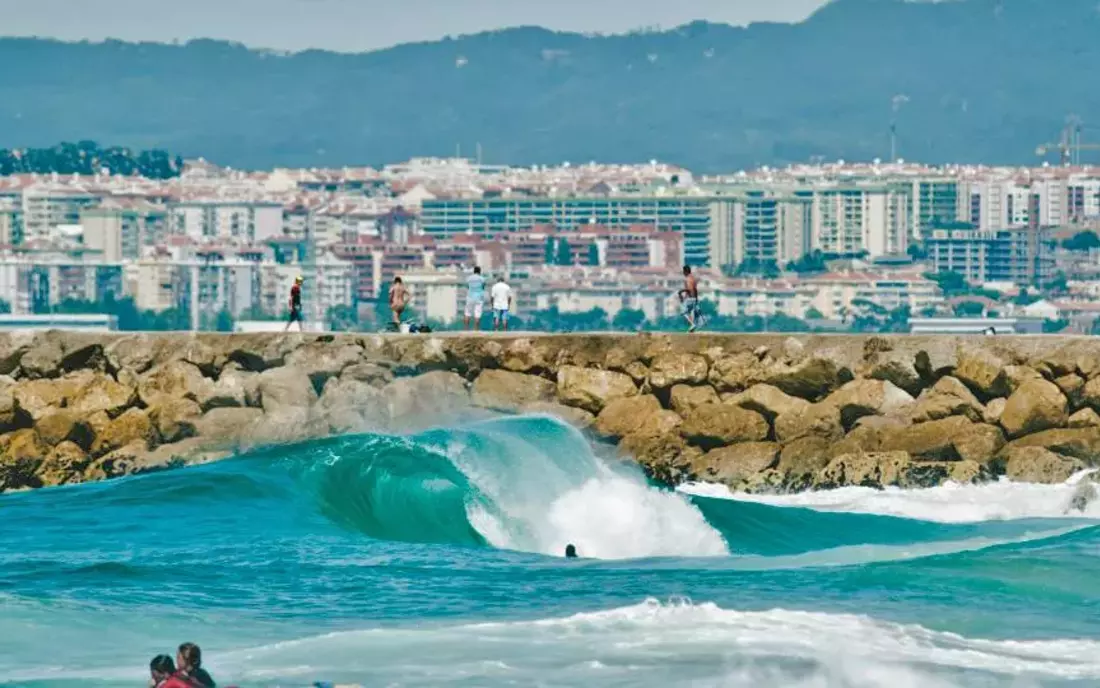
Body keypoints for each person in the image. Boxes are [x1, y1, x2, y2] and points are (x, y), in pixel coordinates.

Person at [678, 265, 700, 332]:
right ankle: (692, 328)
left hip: (689, 298)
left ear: (685, 271)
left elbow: (689, 289)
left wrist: (681, 291)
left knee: (683, 312)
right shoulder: (694, 279)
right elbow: (695, 290)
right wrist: (696, 299)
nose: (683, 273)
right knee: (690, 312)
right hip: (693, 298)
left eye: (683, 272)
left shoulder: (688, 279)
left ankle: (692, 324)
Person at [464, 266, 487, 331]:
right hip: (479, 297)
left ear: (474, 271)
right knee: (477, 313)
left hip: (470, 297)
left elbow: (467, 286)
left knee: (467, 313)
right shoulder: (482, 278)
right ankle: (476, 329)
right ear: (479, 272)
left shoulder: (469, 278)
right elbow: (483, 287)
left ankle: (466, 329)